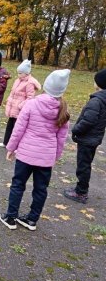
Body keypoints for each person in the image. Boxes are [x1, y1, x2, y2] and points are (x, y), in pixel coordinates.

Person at [0, 69, 71, 231]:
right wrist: (56, 156)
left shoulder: (32, 104)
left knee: (18, 184)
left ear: (46, 86)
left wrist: (11, 147)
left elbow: (19, 129)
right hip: (46, 158)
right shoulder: (63, 110)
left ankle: (11, 217)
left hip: (26, 155)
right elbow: (61, 138)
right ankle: (32, 220)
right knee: (41, 189)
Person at [64, 69, 106, 204]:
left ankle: (81, 192)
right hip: (93, 139)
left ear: (99, 84)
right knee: (85, 164)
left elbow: (88, 121)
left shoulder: (96, 101)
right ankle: (80, 188)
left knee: (83, 166)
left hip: (87, 139)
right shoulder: (102, 99)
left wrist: (76, 129)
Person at [0, 60, 41, 147]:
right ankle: (6, 142)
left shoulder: (29, 83)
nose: (19, 75)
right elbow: (12, 93)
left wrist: (20, 106)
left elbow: (30, 98)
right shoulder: (17, 80)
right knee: (9, 126)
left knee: (18, 129)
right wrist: (9, 100)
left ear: (27, 73)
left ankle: (17, 146)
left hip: (20, 110)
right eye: (18, 73)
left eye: (21, 73)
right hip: (13, 109)